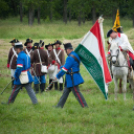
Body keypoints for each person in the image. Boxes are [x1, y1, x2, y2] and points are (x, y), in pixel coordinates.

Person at [54, 43, 88, 108]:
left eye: (66, 50)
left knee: (77, 93)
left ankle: (85, 106)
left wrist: (57, 76)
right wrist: (61, 67)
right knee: (65, 93)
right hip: (70, 78)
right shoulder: (75, 55)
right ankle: (59, 106)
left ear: (68, 50)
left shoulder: (70, 57)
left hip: (72, 79)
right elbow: (69, 65)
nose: (66, 51)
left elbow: (65, 70)